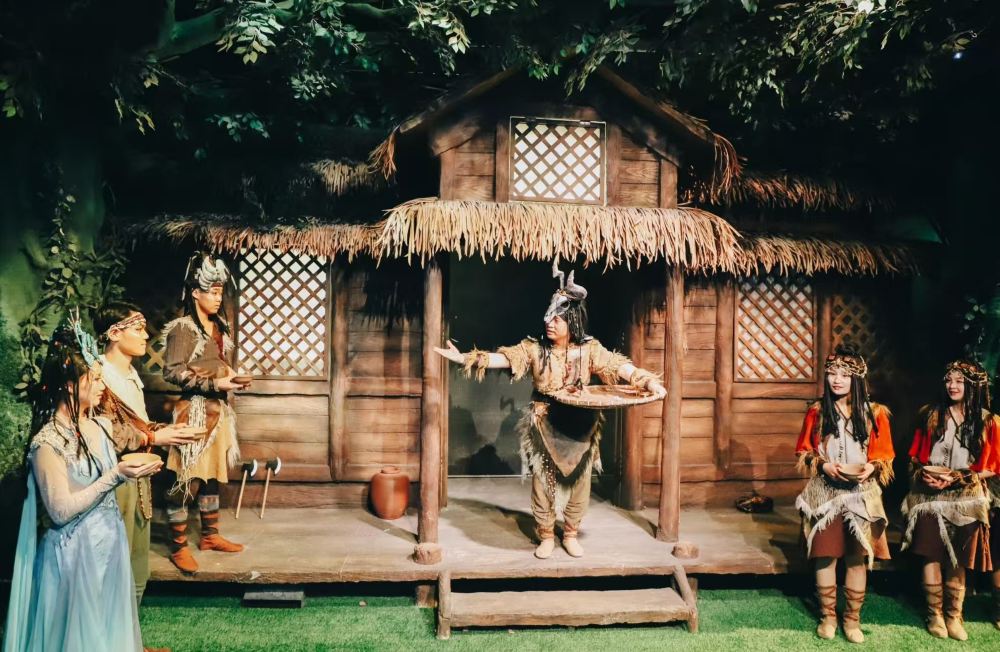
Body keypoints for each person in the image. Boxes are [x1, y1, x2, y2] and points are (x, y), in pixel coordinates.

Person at [435, 261, 665, 559]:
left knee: (580, 481)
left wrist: (647, 381)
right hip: (545, 423)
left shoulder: (589, 350)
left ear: (573, 321)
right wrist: (466, 358)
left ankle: (570, 533)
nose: (550, 322)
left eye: (558, 318)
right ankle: (545, 533)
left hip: (581, 425)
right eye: (549, 316)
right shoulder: (535, 349)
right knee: (543, 482)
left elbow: (619, 366)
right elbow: (504, 359)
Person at [2, 319, 161, 651]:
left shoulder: (100, 426)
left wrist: (135, 469)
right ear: (71, 385)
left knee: (108, 630)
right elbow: (60, 511)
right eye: (95, 378)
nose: (102, 385)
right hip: (73, 554)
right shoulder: (48, 442)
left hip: (110, 543)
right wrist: (116, 475)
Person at [94, 301, 202, 604]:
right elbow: (106, 432)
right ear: (114, 333)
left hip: (140, 475)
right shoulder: (98, 375)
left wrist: (170, 433)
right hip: (112, 478)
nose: (145, 336)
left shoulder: (130, 374)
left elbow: (136, 424)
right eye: (138, 329)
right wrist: (154, 436)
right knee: (113, 560)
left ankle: (131, 629)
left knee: (137, 561)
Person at [794, 345, 894, 644]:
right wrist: (823, 465)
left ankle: (852, 620)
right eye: (832, 373)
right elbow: (803, 450)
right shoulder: (817, 411)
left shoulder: (875, 413)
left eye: (845, 375)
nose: (837, 380)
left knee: (856, 558)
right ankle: (827, 617)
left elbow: (884, 455)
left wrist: (871, 468)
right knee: (825, 557)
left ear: (857, 379)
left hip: (860, 495)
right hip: (825, 494)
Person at [902, 359, 1000, 641]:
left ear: (974, 386)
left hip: (966, 496)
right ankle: (934, 614)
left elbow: (993, 466)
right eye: (949, 380)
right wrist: (924, 474)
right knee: (931, 553)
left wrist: (959, 477)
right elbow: (916, 455)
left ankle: (954, 615)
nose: (952, 386)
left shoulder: (988, 421)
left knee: (958, 557)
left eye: (959, 381)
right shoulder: (931, 415)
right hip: (929, 495)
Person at [161, 254, 247, 573]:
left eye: (220, 292)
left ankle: (210, 536)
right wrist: (213, 383)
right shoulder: (183, 329)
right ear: (195, 292)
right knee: (187, 478)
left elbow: (216, 365)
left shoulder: (218, 327)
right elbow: (172, 372)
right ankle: (178, 545)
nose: (217, 297)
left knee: (211, 476)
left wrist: (232, 377)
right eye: (212, 291)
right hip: (194, 412)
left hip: (217, 411)